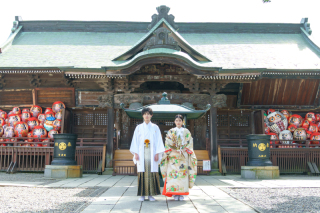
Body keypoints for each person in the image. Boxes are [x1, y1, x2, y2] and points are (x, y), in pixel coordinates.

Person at [130, 107, 165, 202]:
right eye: (145, 114)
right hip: (141, 152)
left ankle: (151, 195)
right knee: (142, 172)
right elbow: (135, 141)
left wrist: (158, 153)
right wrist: (136, 153)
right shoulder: (138, 127)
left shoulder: (155, 127)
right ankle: (142, 195)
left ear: (151, 115)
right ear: (142, 115)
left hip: (152, 151)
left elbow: (159, 141)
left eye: (148, 114)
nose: (146, 115)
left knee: (152, 172)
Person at [160, 114, 197, 201]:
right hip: (173, 155)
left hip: (183, 155)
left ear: (182, 122)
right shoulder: (171, 131)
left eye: (180, 120)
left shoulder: (186, 131)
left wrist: (184, 149)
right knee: (173, 175)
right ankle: (174, 193)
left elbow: (190, 142)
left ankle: (182, 193)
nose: (178, 122)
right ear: (174, 122)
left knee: (182, 175)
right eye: (176, 121)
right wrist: (174, 150)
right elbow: (167, 143)